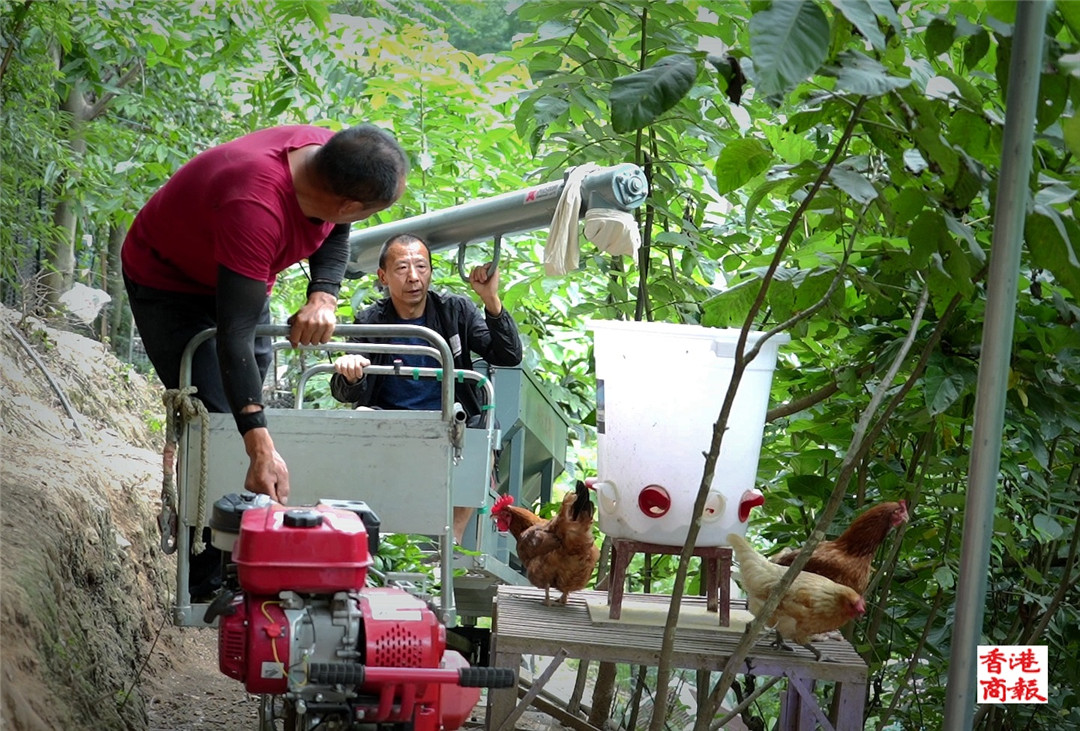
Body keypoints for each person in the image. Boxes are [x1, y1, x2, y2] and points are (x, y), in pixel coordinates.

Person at [122, 124, 407, 598]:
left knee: (251, 400)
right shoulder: (255, 204)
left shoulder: (332, 156)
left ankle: (246, 555)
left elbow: (337, 225)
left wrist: (324, 296)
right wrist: (258, 446)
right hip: (170, 281)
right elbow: (231, 339)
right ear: (349, 201)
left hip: (242, 274)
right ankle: (205, 583)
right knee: (216, 416)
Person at [329, 233, 522, 541]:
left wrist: (490, 299)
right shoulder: (371, 321)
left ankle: (452, 539)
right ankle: (375, 532)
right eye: (402, 268)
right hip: (390, 419)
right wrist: (351, 374)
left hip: (449, 420)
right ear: (383, 276)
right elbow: (344, 391)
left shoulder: (454, 311)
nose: (414, 277)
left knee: (484, 425)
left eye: (421, 266)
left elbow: (509, 355)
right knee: (360, 419)